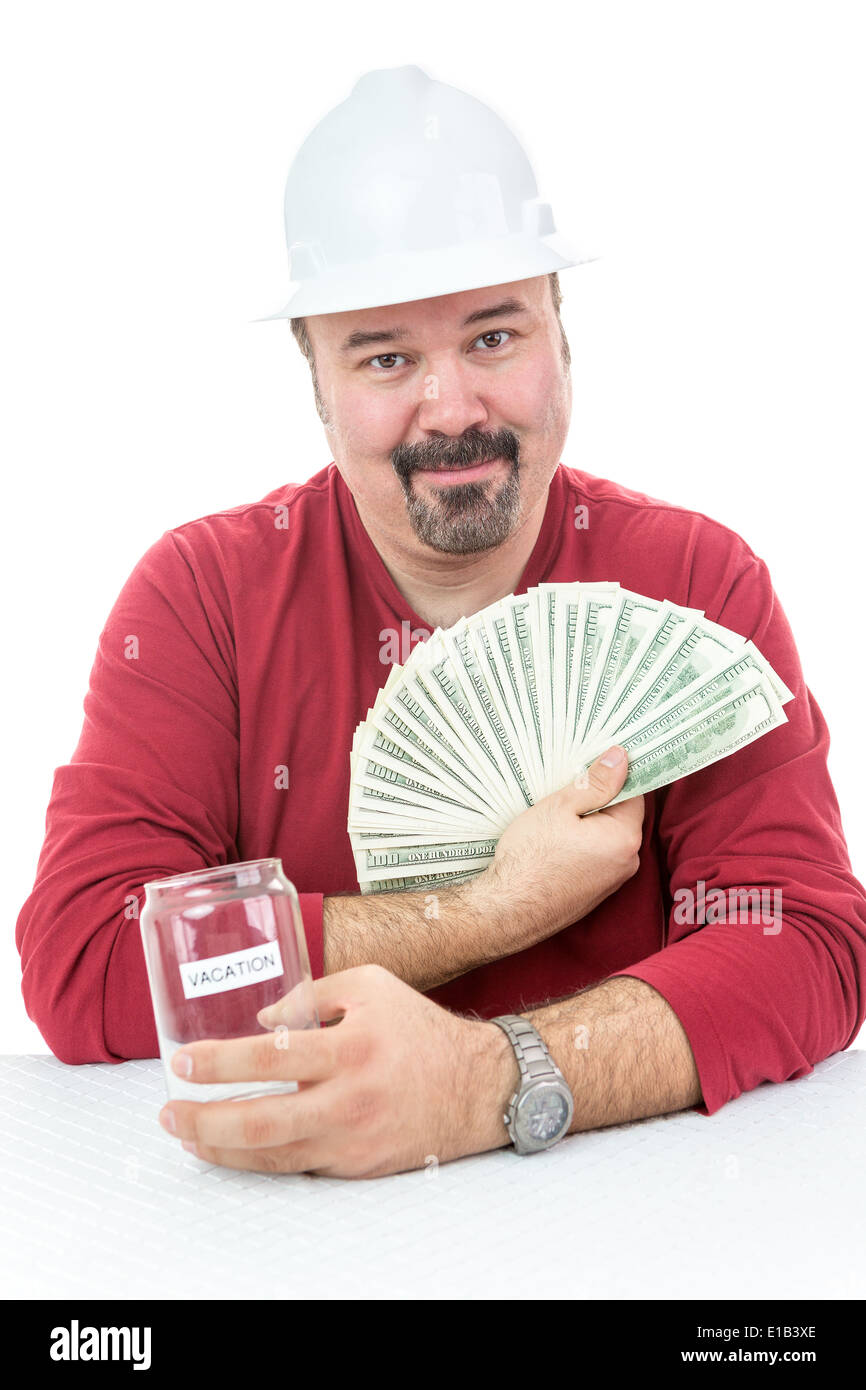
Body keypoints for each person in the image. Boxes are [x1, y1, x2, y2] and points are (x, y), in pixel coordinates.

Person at [16, 67, 866, 1178]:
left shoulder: (693, 578)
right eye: (384, 356)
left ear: (562, 333)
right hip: (286, 1246)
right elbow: (88, 957)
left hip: (643, 1227)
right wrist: (479, 912)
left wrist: (483, 1082)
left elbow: (802, 944)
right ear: (313, 379)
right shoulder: (200, 599)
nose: (452, 407)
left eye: (494, 336)